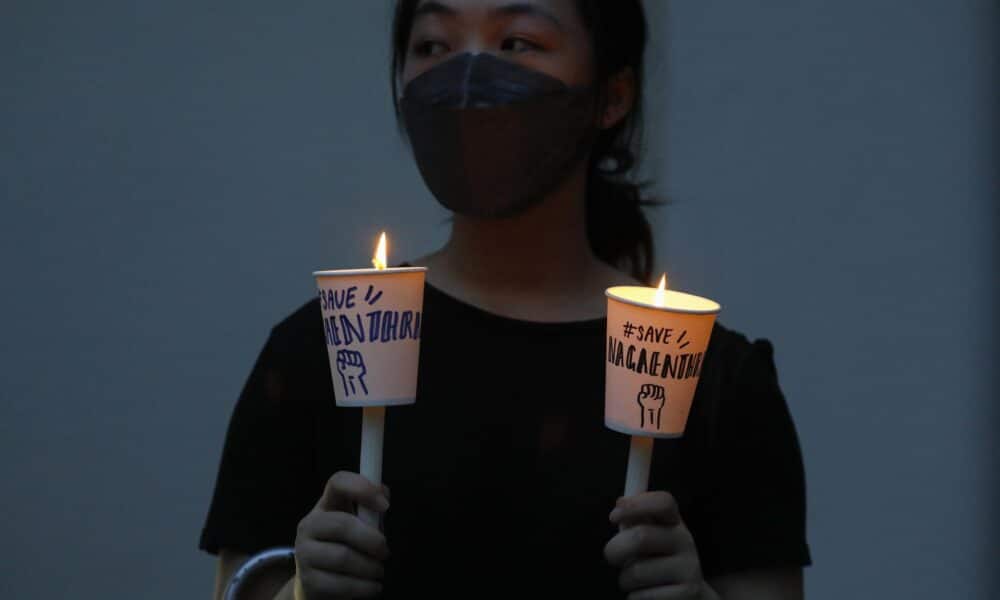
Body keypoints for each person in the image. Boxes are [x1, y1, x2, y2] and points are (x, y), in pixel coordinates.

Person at [199, 1, 812, 598]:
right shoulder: (320, 349)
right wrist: (303, 590)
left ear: (612, 95)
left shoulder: (713, 380)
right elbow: (240, 582)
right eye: (433, 45)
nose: (466, 76)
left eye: (516, 42)